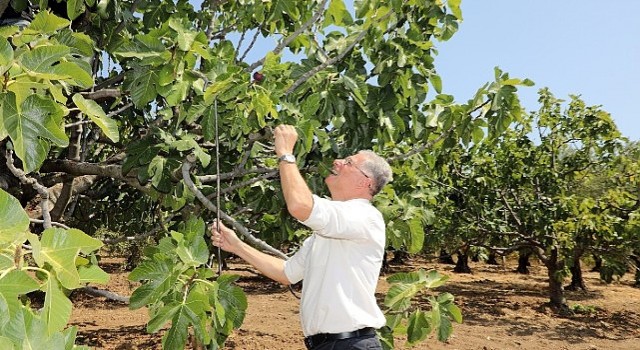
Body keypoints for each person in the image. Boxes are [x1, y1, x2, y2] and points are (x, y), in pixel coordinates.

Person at [211, 124, 393, 350]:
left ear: (364, 182)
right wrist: (237, 246)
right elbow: (287, 273)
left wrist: (286, 154)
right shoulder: (327, 232)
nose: (337, 162)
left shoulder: (365, 216)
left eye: (348, 162)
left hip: (351, 344)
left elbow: (299, 205)